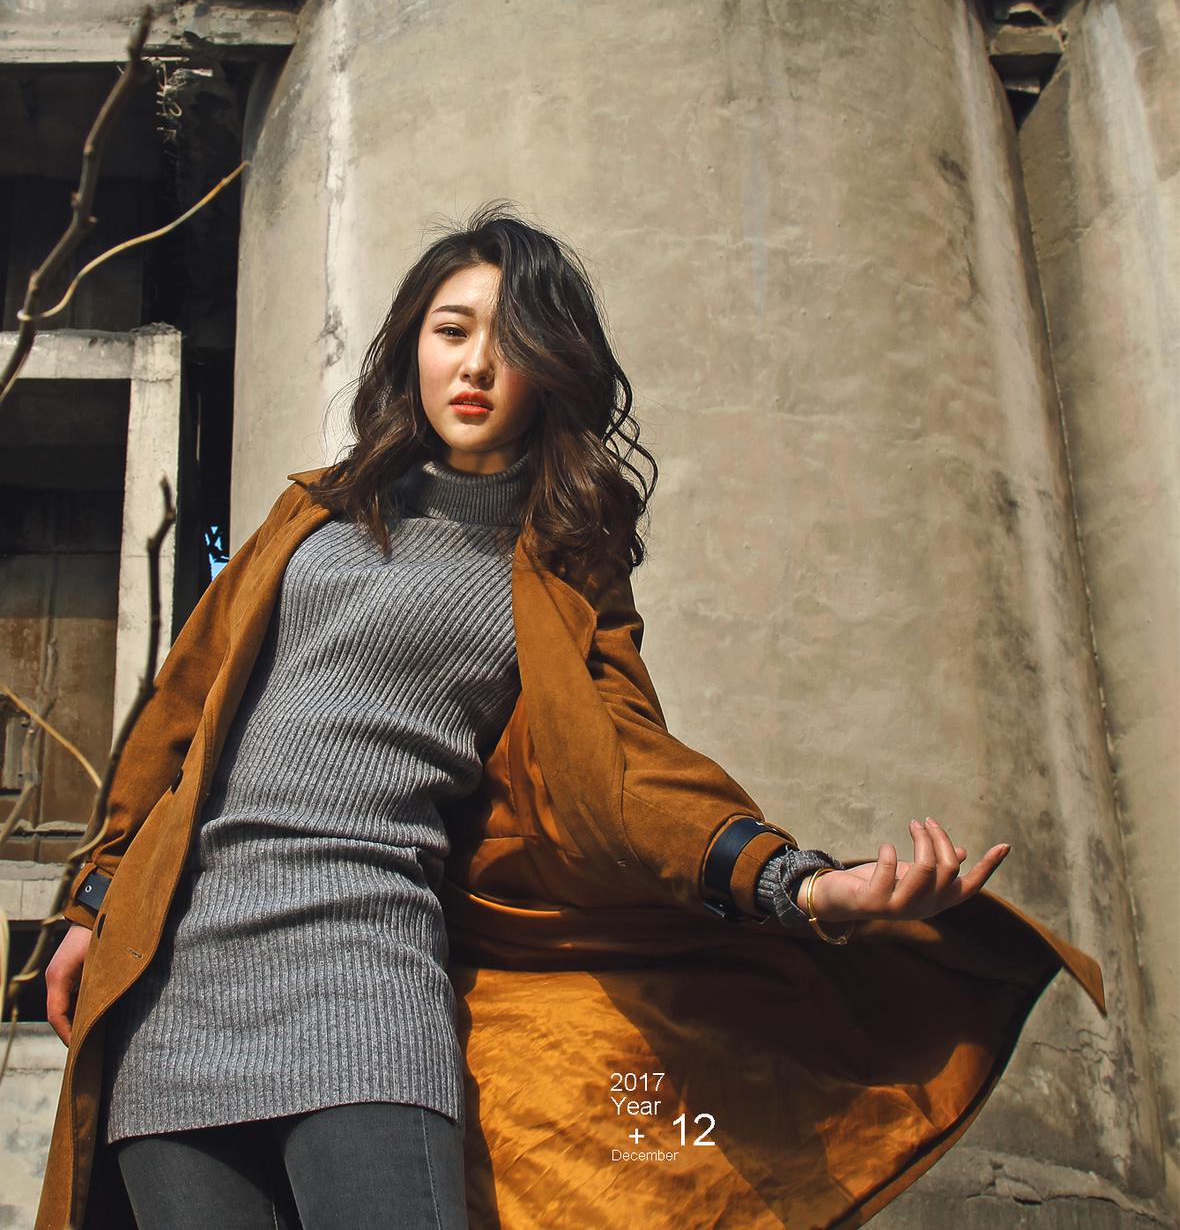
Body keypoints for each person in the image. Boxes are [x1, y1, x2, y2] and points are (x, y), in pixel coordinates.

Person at [39, 205, 1102, 1230]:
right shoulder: (312, 513)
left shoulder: (557, 572)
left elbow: (625, 772)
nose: (475, 365)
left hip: (364, 972)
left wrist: (802, 881)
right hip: (175, 982)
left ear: (550, 369)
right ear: (411, 347)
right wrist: (92, 903)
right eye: (451, 331)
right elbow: (178, 716)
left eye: (509, 343)